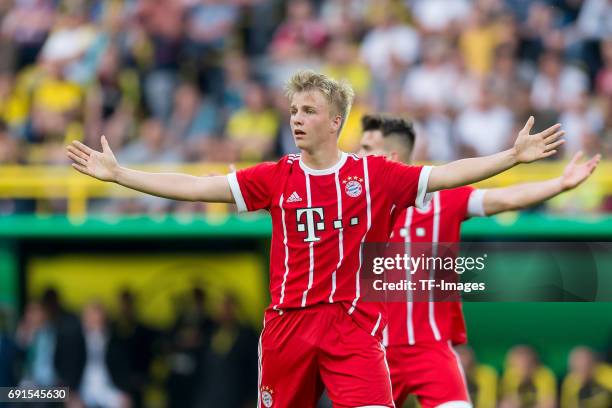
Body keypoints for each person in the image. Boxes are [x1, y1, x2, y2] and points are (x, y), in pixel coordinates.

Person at [67, 70, 564, 407]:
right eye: (293, 110)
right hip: (287, 327)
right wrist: (121, 175)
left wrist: (510, 156)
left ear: (334, 121)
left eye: (307, 110)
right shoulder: (276, 176)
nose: (296, 119)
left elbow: (450, 174)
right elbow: (199, 186)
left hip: (352, 327)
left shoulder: (376, 175)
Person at [358, 114, 600, 408]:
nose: (358, 156)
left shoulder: (442, 200)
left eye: (367, 149)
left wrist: (559, 185)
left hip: (430, 349)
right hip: (374, 351)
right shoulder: (355, 206)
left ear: (391, 156)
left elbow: (506, 199)